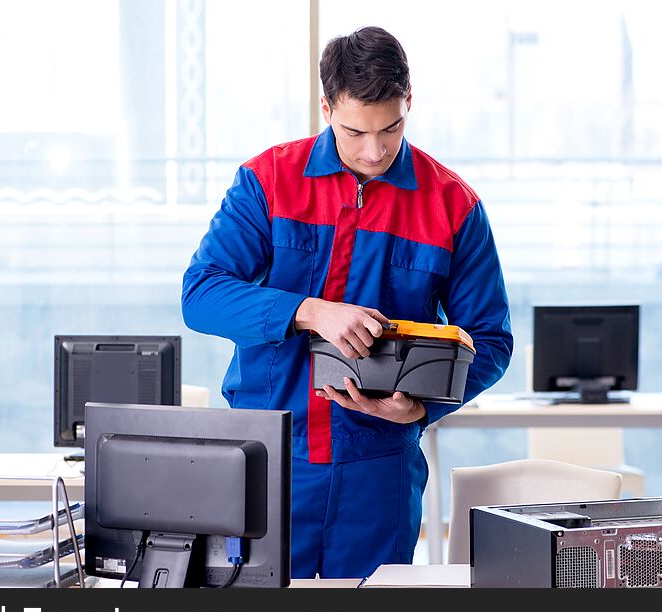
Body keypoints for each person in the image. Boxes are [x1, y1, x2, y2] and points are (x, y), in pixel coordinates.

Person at [182, 26, 512, 579]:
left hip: (379, 468)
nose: (374, 150)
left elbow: (491, 339)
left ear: (410, 102)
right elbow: (201, 294)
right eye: (354, 130)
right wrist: (309, 311)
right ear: (326, 106)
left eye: (392, 127)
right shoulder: (267, 182)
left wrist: (423, 408)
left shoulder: (454, 206)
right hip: (269, 459)